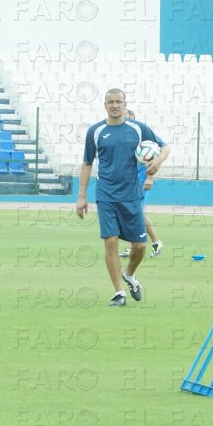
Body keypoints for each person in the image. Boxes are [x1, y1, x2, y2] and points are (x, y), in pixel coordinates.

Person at [77, 89, 170, 307]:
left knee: (139, 246)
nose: (115, 105)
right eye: (111, 101)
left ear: (125, 104)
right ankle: (119, 292)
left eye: (119, 101)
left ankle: (129, 275)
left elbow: (165, 148)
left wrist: (157, 163)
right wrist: (81, 196)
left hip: (131, 194)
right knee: (110, 241)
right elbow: (87, 163)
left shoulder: (138, 129)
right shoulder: (96, 131)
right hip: (106, 194)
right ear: (105, 104)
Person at [119, 109, 164, 259]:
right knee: (134, 213)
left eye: (127, 116)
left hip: (141, 180)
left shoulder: (144, 137)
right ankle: (154, 242)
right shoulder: (121, 137)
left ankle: (139, 244)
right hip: (127, 182)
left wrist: (150, 178)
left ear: (133, 118)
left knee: (135, 212)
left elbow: (155, 157)